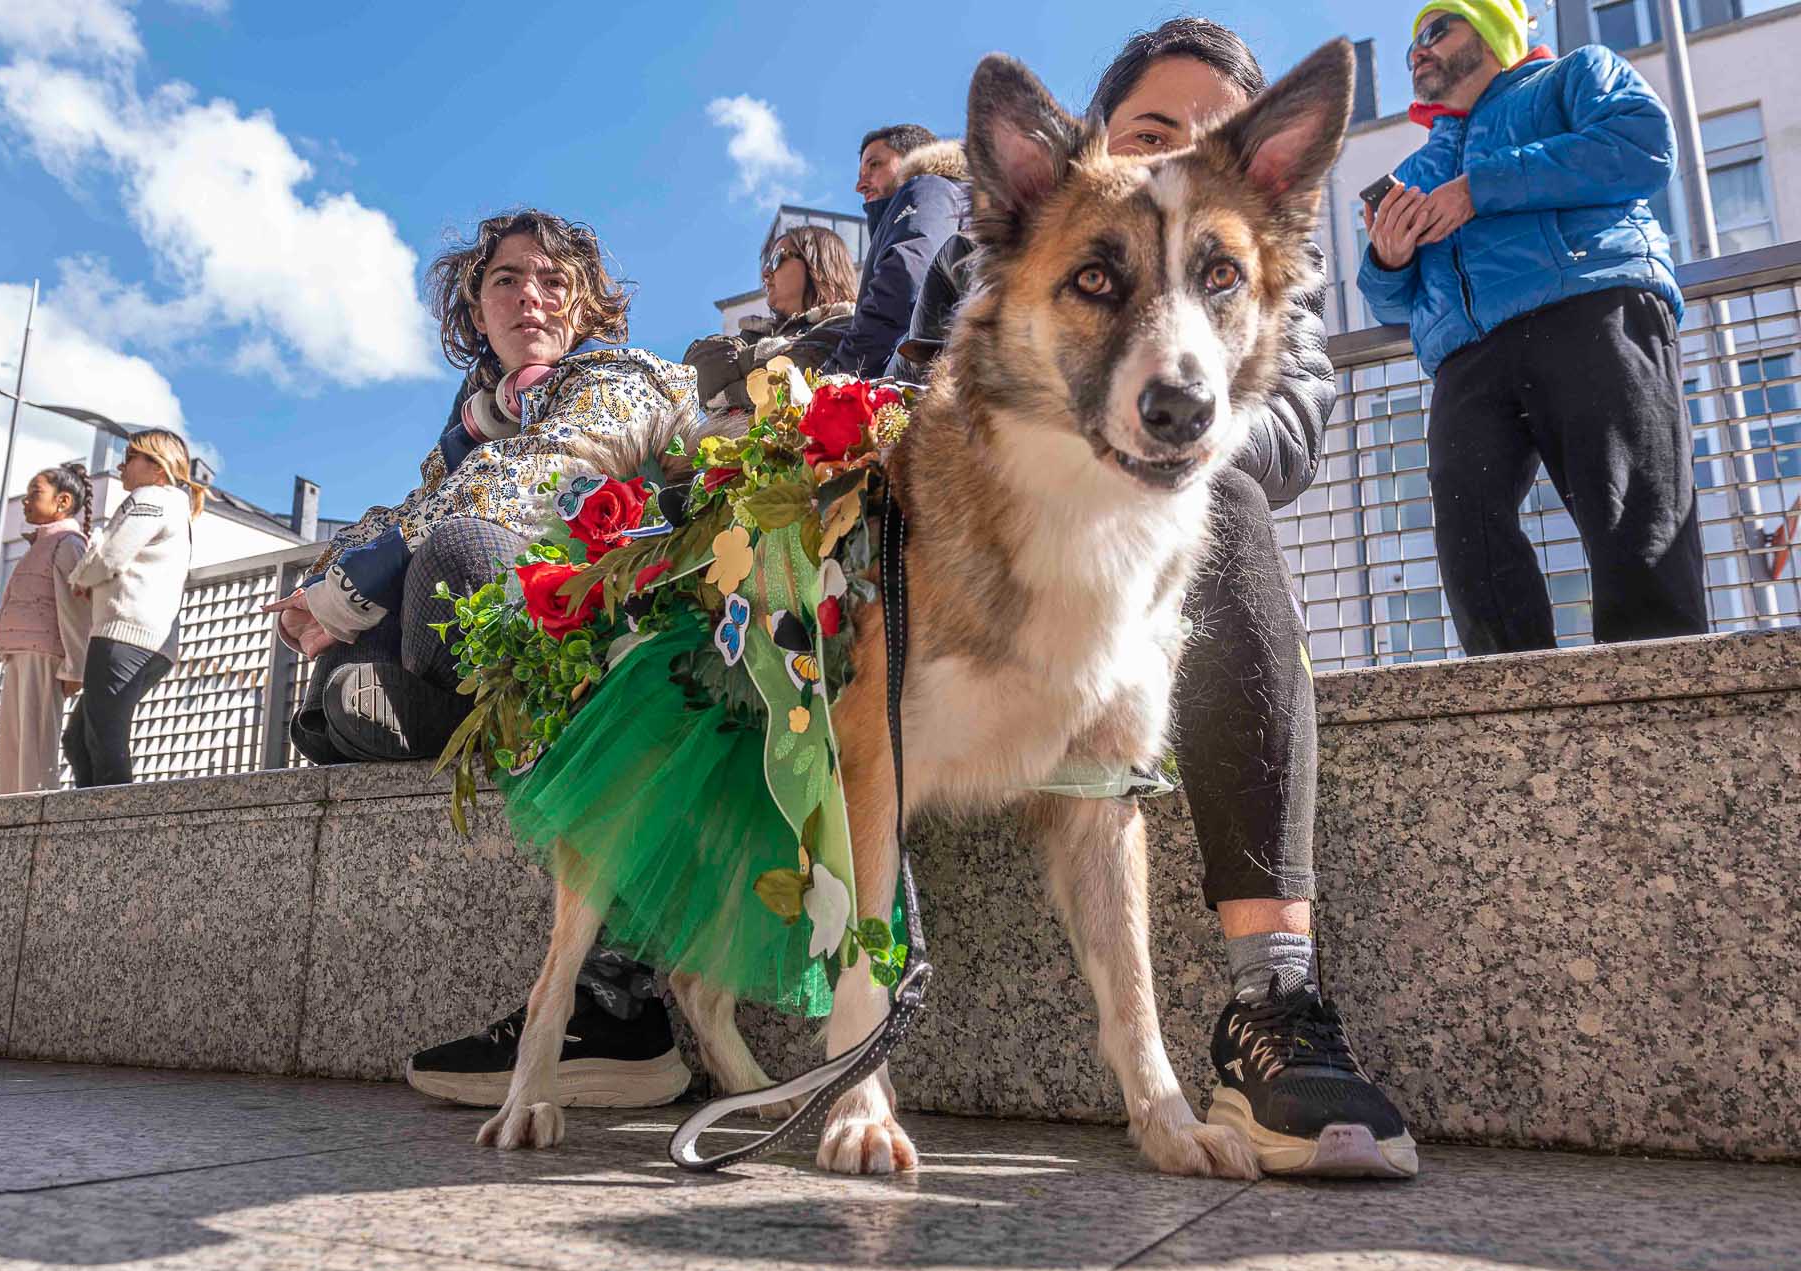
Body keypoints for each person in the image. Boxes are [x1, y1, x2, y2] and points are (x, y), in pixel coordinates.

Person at [409, 20, 1418, 1179]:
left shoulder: (1266, 340)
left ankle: (1248, 1016)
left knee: (1110, 788)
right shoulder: (984, 281)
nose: (1176, 169)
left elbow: (1268, 440)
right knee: (683, 746)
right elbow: (913, 403)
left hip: (1147, 563)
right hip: (915, 552)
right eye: (1149, 140)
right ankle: (610, 1012)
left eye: (1209, 163)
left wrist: (1151, 1100)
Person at [267, 209, 696, 766]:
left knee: (455, 545)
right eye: (507, 280)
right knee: (374, 595)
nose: (530, 297)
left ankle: (442, 719)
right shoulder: (479, 417)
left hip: (607, 643)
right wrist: (328, 579)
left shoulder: (624, 377)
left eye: (554, 281)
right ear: (478, 310)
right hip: (509, 635)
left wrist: (358, 580)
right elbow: (417, 505)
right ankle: (368, 713)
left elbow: (535, 471)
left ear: (584, 306)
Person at [1358, 0, 1706, 655]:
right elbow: (1385, 301)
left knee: (1633, 512)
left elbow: (1643, 145)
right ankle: (1509, 698)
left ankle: (1662, 712)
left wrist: (1478, 188)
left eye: (1436, 29)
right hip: (1466, 354)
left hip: (1589, 302)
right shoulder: (1420, 166)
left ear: (1493, 32)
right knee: (1469, 534)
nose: (1417, 51)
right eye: (1412, 42)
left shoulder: (1575, 75)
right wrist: (1388, 256)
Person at [64, 429, 200, 788]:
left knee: (103, 742)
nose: (121, 466)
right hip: (151, 640)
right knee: (78, 739)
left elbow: (110, 555)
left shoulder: (150, 497)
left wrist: (82, 577)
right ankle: (87, 823)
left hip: (124, 635)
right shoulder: (172, 504)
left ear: (157, 467)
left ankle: (113, 829)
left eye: (129, 458)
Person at [825, 124, 970, 379]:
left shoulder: (929, 187)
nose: (860, 184)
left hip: (921, 373)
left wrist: (838, 376)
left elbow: (903, 281)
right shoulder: (952, 199)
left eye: (874, 165)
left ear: (913, 158)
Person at [0, 463, 92, 795]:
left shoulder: (68, 543)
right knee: (13, 739)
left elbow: (76, 608)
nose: (25, 501)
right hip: (21, 652)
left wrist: (76, 668)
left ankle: (35, 803)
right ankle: (6, 806)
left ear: (63, 502)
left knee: (35, 738)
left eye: (35, 493)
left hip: (44, 654)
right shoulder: (42, 545)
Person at [681, 224, 859, 410]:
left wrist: (730, 388)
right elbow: (697, 373)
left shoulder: (847, 327)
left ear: (818, 264)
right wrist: (763, 365)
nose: (765, 273)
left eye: (777, 259)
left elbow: (792, 374)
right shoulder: (754, 333)